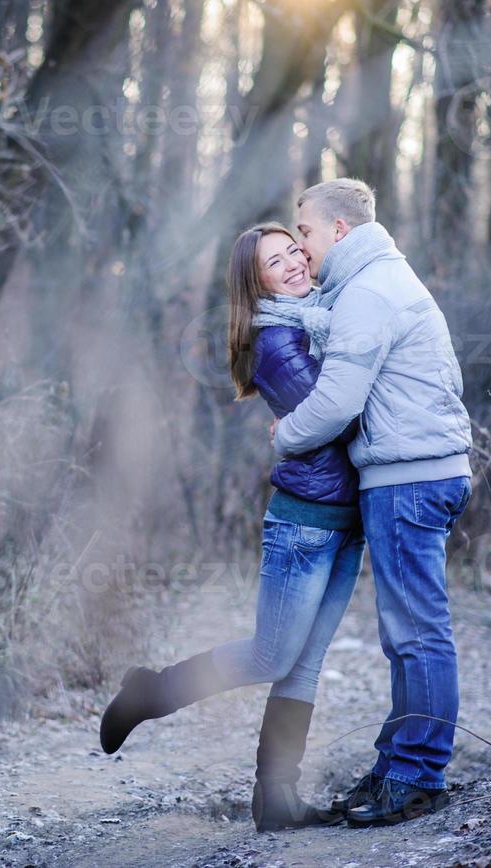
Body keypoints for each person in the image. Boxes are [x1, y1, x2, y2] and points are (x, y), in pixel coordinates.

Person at [98, 221, 364, 832]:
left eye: (296, 249)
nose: (296, 262)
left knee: (303, 663)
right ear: (257, 282)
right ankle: (150, 692)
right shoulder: (276, 340)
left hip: (346, 522)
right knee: (272, 655)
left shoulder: (313, 319)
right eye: (277, 261)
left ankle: (277, 798)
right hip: (305, 526)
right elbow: (338, 415)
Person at [267, 178, 473, 827]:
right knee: (404, 633)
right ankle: (396, 765)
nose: (300, 246)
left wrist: (284, 436)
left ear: (338, 230)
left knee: (415, 633)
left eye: (303, 231)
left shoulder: (368, 291)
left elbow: (335, 402)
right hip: (407, 472)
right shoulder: (374, 283)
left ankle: (417, 775)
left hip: (408, 478)